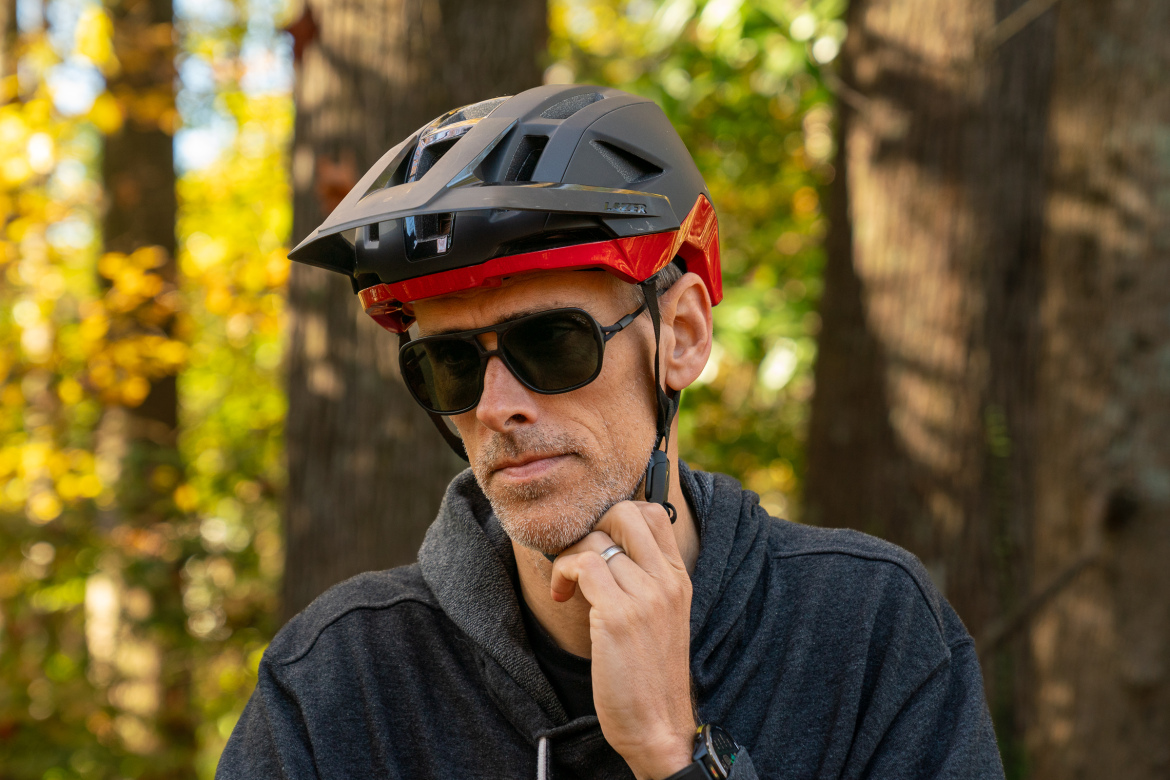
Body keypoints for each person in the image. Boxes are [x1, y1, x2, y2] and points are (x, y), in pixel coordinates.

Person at [217, 84, 1005, 780]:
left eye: (551, 344)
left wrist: (673, 752)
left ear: (683, 336)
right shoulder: (337, 679)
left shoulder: (867, 628)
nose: (496, 405)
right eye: (449, 366)